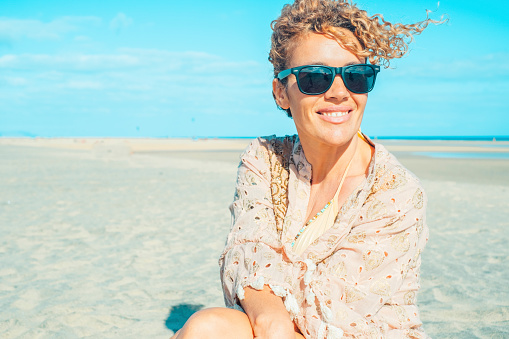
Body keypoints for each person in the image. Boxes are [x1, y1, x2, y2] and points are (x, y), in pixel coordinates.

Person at [172, 0, 442, 338]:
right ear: (281, 92)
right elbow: (244, 250)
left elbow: (329, 311)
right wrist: (271, 320)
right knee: (206, 328)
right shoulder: (266, 159)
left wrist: (265, 304)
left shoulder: (396, 192)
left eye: (356, 77)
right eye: (316, 78)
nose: (340, 93)